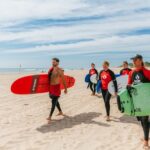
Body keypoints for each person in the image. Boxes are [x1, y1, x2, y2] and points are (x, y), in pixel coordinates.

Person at [128, 54, 150, 148]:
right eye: (133, 60)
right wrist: (128, 87)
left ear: (140, 61)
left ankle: (146, 141)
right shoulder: (131, 72)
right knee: (141, 119)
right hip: (137, 100)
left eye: (135, 60)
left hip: (146, 100)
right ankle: (146, 136)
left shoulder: (147, 72)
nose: (133, 61)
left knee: (145, 120)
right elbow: (129, 84)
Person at [47, 58, 67, 123]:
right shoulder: (51, 69)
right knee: (55, 101)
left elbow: (63, 80)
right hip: (51, 88)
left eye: (54, 62)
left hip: (56, 88)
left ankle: (50, 116)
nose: (53, 63)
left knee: (53, 102)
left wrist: (65, 89)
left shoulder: (60, 70)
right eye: (52, 62)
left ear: (58, 63)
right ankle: (60, 112)